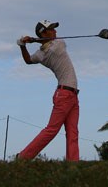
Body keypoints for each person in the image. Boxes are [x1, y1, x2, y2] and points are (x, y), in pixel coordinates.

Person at [16, 20, 80, 161]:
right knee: (51, 130)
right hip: (64, 94)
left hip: (71, 94)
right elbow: (37, 52)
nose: (55, 31)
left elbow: (28, 60)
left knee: (73, 132)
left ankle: (74, 163)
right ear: (44, 33)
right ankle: (23, 157)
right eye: (51, 29)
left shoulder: (41, 54)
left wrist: (23, 45)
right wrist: (33, 42)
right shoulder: (58, 45)